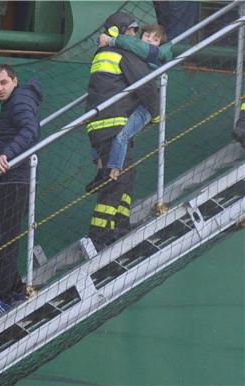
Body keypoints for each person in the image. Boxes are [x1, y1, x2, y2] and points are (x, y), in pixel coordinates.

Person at [82, 12, 159, 252]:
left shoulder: (101, 54)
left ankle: (120, 226)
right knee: (116, 182)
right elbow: (145, 84)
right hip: (115, 125)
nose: (135, 36)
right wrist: (154, 113)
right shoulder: (123, 53)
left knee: (126, 175)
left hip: (101, 126)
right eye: (132, 31)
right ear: (121, 31)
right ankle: (98, 237)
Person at [0, 64, 43, 321]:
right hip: (9, 180)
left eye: (4, 82)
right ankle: (15, 287)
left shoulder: (19, 101)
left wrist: (6, 152)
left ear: (14, 81)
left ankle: (2, 298)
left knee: (4, 239)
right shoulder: (15, 102)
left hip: (17, 179)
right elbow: (20, 126)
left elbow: (31, 130)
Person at [87, 24, 169, 190]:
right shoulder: (135, 52)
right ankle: (101, 173)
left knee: (121, 134)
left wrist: (109, 40)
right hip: (133, 102)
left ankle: (113, 172)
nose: (150, 41)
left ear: (160, 44)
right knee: (99, 132)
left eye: (155, 39)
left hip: (147, 105)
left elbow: (147, 86)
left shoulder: (154, 55)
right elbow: (131, 45)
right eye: (147, 36)